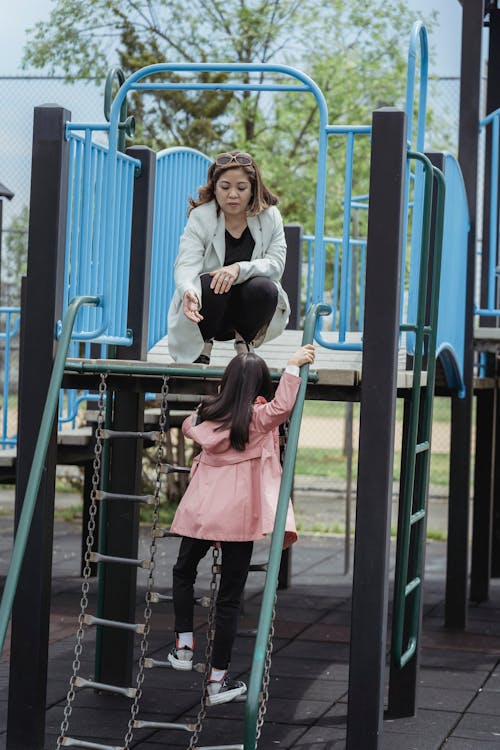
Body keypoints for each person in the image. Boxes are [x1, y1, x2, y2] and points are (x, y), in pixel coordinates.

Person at [167, 344, 316, 704]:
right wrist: (292, 366)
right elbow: (282, 407)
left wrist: (216, 400)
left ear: (226, 384)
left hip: (202, 513)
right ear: (260, 385)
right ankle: (218, 681)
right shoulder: (258, 417)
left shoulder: (204, 416)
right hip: (239, 517)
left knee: (183, 571)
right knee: (229, 601)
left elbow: (189, 425)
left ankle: (184, 645)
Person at [167, 150, 291, 364]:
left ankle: (245, 343)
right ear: (214, 188)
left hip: (247, 312)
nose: (233, 194)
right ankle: (204, 345)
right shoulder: (201, 217)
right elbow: (186, 264)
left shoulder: (270, 217)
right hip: (207, 313)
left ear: (253, 189)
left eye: (241, 188)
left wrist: (238, 269)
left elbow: (276, 265)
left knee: (265, 287)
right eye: (225, 187)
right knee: (212, 282)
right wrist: (188, 289)